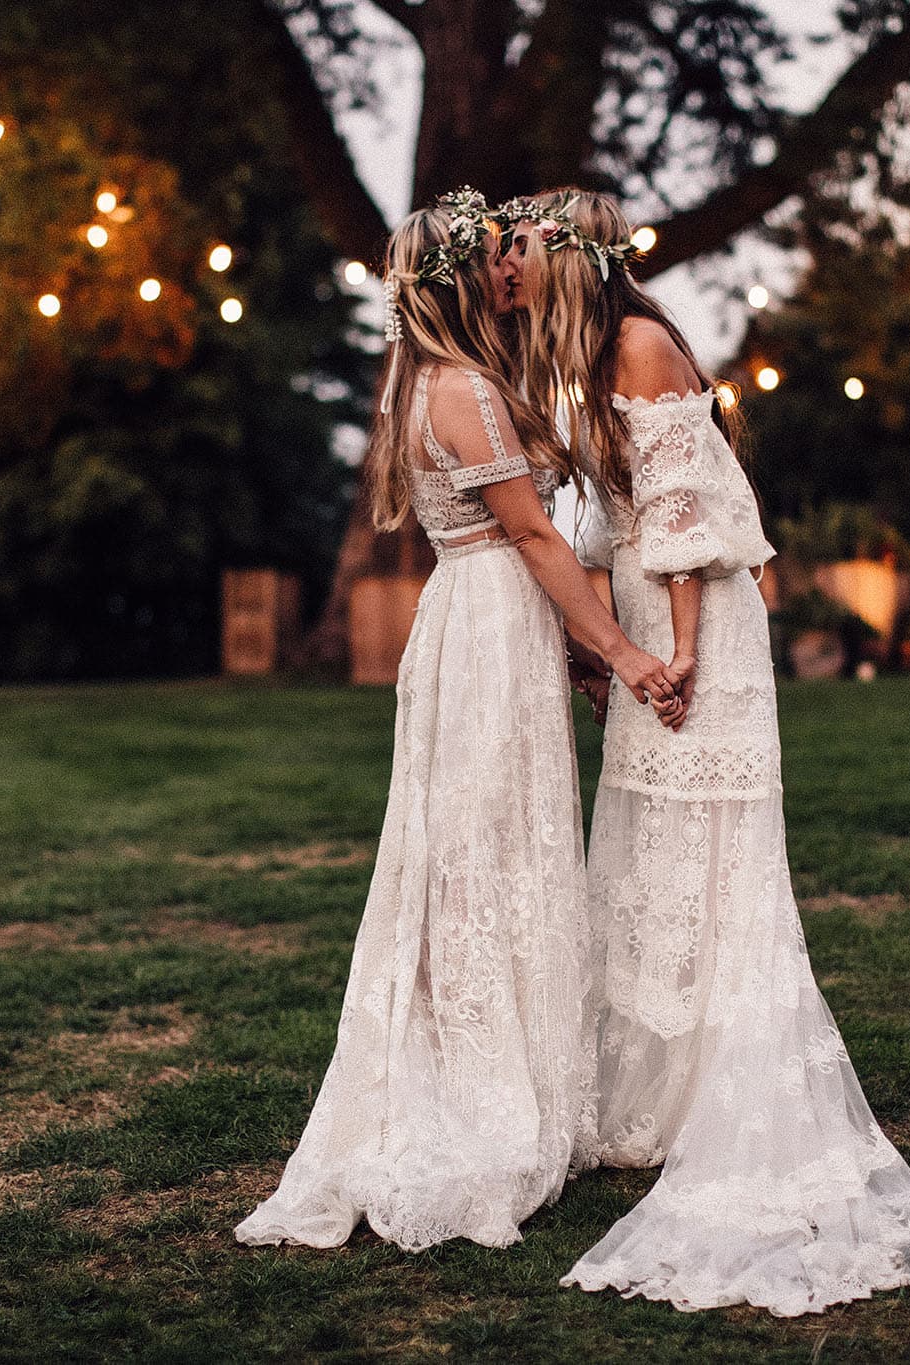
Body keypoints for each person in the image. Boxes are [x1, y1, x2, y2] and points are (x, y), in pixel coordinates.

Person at [493, 189, 910, 1314]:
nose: (505, 265)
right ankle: (659, 1103)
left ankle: (732, 1096)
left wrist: (675, 653)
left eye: (518, 248)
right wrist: (600, 645)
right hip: (646, 622)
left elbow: (681, 516)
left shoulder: (638, 345)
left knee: (713, 855)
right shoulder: (583, 358)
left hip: (703, 632)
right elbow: (609, 522)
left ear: (569, 259)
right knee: (646, 854)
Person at [234, 190, 682, 1254]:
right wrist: (621, 653)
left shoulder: (432, 380)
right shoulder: (463, 386)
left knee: (494, 844)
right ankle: (483, 1088)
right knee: (486, 851)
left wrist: (575, 650)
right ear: (458, 283)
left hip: (484, 623)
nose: (505, 270)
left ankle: (515, 1060)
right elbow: (531, 538)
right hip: (485, 625)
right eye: (489, 257)